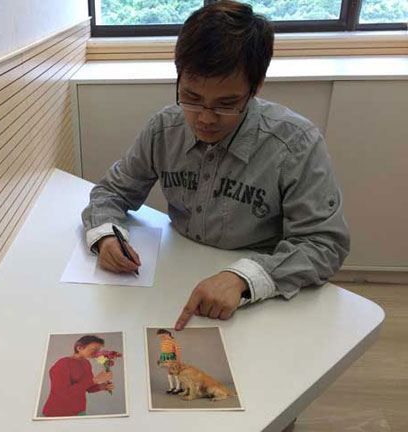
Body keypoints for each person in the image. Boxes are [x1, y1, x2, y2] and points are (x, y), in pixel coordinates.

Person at [81, 0, 350, 330]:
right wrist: (107, 237)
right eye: (192, 98)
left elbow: (324, 244)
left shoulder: (296, 143)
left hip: (258, 299)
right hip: (173, 281)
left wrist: (243, 278)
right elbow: (111, 192)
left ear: (256, 87)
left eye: (227, 104)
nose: (205, 119)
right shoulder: (163, 129)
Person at [42, 335, 114, 417]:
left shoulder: (86, 363)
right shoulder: (62, 364)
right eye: (94, 349)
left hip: (80, 411)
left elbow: (88, 387)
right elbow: (63, 393)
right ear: (79, 348)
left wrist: (101, 387)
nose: (97, 353)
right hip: (57, 413)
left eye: (98, 350)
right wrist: (95, 380)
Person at [156, 329, 184, 394]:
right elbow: (163, 351)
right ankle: (171, 387)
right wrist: (163, 359)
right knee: (169, 372)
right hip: (165, 358)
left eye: (163, 336)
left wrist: (177, 359)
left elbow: (178, 350)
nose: (162, 338)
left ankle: (178, 388)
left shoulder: (173, 342)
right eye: (160, 337)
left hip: (172, 358)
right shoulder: (163, 342)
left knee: (175, 372)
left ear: (168, 334)